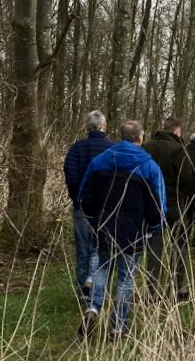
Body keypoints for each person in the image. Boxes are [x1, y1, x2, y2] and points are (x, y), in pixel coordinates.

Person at [77, 121, 166, 339]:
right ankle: (118, 327)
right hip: (133, 231)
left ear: (120, 136)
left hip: (104, 226)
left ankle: (93, 308)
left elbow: (84, 195)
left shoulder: (100, 161)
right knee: (126, 279)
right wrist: (153, 228)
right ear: (140, 138)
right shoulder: (149, 167)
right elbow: (159, 205)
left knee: (101, 268)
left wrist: (93, 219)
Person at [143, 116, 195, 301]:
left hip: (152, 204)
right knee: (180, 246)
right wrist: (186, 198)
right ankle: (175, 288)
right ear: (177, 131)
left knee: (154, 247)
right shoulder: (179, 150)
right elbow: (188, 179)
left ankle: (151, 290)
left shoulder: (147, 148)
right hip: (175, 205)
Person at [62, 110, 113, 305]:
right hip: (106, 208)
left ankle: (83, 290)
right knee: (99, 248)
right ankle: (94, 285)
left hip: (82, 206)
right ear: (105, 126)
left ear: (86, 127)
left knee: (83, 249)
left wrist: (77, 195)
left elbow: (70, 172)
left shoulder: (77, 148)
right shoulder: (112, 149)